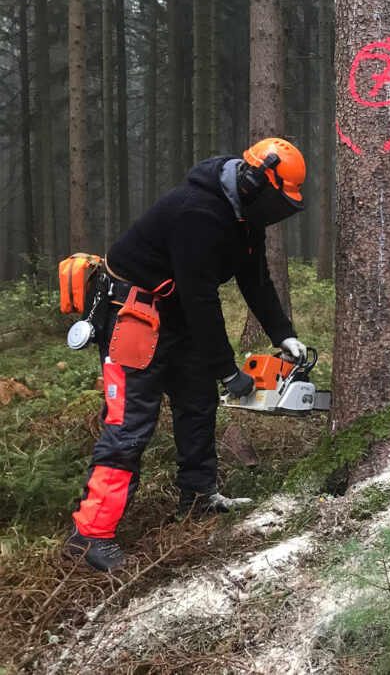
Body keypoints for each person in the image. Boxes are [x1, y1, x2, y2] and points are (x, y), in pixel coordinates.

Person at [62, 137, 309, 572]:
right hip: (133, 315)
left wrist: (283, 334)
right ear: (253, 181)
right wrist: (227, 369)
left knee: (198, 404)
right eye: (273, 201)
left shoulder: (245, 220)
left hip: (177, 317)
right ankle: (88, 537)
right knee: (131, 424)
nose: (274, 213)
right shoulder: (196, 210)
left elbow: (257, 282)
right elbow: (200, 297)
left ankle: (197, 497)